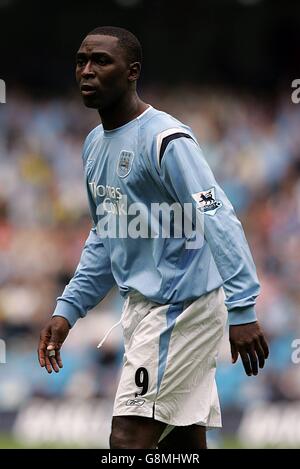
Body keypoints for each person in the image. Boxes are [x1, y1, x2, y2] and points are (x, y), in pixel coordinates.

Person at [38, 26, 269, 449]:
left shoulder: (166, 139)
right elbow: (106, 236)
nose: (87, 71)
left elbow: (218, 216)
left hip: (179, 309)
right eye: (81, 61)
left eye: (101, 61)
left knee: (128, 438)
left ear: (132, 71)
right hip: (144, 310)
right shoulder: (94, 145)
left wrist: (243, 307)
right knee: (183, 443)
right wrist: (68, 308)